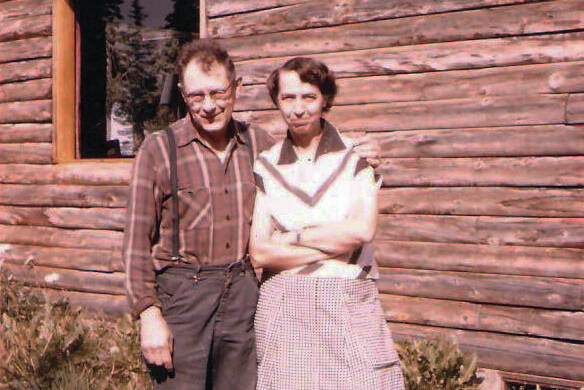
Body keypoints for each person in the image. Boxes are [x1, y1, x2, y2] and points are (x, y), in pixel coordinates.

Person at [123, 41, 380, 389]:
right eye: (197, 96)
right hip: (183, 298)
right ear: (183, 94)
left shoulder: (259, 145)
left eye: (218, 92)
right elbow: (136, 244)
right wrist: (148, 314)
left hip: (242, 297)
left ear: (236, 88)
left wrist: (358, 151)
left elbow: (311, 151)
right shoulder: (159, 149)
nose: (209, 106)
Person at [250, 57, 405, 389]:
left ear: (324, 100)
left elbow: (362, 231)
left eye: (308, 97)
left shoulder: (357, 156)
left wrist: (290, 239)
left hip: (347, 298)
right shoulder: (266, 165)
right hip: (284, 303)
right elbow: (260, 254)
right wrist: (333, 244)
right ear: (277, 102)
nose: (298, 108)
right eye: (288, 98)